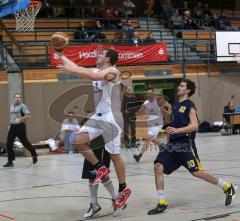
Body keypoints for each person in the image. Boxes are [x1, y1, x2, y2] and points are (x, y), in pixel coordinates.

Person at [55, 48, 131, 209]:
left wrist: (70, 69)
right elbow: (81, 69)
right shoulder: (98, 70)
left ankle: (123, 188)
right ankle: (100, 167)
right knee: (76, 140)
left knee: (115, 155)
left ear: (108, 59)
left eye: (101, 54)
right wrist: (62, 56)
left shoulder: (113, 71)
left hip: (112, 117)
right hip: (99, 116)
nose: (98, 56)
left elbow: (91, 75)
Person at [148, 79, 237, 215]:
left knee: (197, 172)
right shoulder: (176, 106)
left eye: (182, 86)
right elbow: (170, 122)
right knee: (158, 166)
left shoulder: (190, 105)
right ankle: (161, 202)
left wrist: (177, 131)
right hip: (172, 145)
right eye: (179, 85)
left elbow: (195, 125)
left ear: (188, 90)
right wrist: (162, 110)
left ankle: (227, 186)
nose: (179, 87)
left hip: (185, 144)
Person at [81, 112, 123, 218]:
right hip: (91, 148)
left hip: (103, 147)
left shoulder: (110, 114)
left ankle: (117, 200)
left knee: (102, 175)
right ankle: (94, 204)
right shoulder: (96, 113)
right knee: (91, 175)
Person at [133, 88, 170, 162]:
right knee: (150, 138)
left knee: (148, 138)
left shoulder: (158, 100)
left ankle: (139, 156)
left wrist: (168, 114)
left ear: (153, 93)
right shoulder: (146, 103)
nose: (149, 94)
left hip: (158, 123)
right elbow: (139, 112)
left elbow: (169, 106)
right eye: (148, 93)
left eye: (150, 93)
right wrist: (137, 116)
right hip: (150, 124)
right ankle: (161, 145)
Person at [3, 93, 38, 167]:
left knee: (25, 143)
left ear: (20, 98)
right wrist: (10, 124)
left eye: (18, 97)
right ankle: (10, 161)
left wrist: (20, 118)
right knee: (9, 143)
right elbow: (12, 116)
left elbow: (28, 115)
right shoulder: (12, 106)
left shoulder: (23, 106)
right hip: (12, 127)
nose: (17, 98)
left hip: (20, 127)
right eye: (16, 97)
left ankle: (34, 154)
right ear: (14, 98)